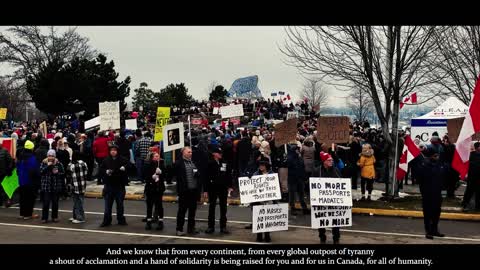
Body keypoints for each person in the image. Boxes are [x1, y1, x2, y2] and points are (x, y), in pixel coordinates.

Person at [413, 148, 446, 239]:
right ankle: (428, 231)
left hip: (437, 193)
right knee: (428, 213)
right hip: (427, 193)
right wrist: (424, 191)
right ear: (431, 156)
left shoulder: (439, 165)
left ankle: (435, 230)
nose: (437, 157)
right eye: (435, 155)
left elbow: (442, 177)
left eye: (437, 155)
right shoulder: (424, 165)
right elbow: (419, 179)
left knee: (436, 212)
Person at [313, 151, 342, 244]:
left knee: (335, 221)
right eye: (329, 160)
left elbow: (341, 184)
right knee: (321, 220)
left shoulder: (336, 170)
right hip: (321, 201)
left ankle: (336, 238)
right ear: (324, 161)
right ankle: (322, 237)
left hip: (334, 202)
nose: (331, 161)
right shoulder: (317, 171)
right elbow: (312, 185)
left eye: (331, 160)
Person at [204, 147, 233, 234]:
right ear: (214, 154)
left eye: (221, 153)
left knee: (223, 207)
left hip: (223, 188)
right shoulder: (209, 163)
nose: (221, 154)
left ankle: (223, 226)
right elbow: (205, 177)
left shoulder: (224, 162)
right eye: (219, 153)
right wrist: (205, 190)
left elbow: (228, 174)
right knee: (212, 207)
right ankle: (210, 226)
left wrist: (230, 186)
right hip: (212, 188)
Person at [99, 144, 129, 227]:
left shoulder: (123, 160)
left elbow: (129, 166)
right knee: (107, 206)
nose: (113, 152)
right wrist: (106, 171)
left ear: (117, 151)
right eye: (111, 150)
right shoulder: (106, 160)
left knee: (120, 205)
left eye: (115, 150)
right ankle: (106, 221)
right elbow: (101, 169)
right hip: (109, 185)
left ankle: (121, 220)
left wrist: (125, 168)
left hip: (119, 185)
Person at [175, 147, 202, 236]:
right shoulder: (179, 163)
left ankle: (191, 228)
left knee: (192, 211)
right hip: (184, 191)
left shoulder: (193, 162)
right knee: (182, 211)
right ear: (183, 153)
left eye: (191, 152)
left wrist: (197, 174)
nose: (191, 153)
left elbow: (197, 174)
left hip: (193, 191)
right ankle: (179, 229)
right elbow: (176, 176)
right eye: (189, 152)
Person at [252, 160, 276, 242]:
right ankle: (259, 236)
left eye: (262, 165)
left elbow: (276, 186)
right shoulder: (255, 174)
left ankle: (267, 235)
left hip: (268, 200)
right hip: (258, 200)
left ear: (266, 166)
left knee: (267, 218)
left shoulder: (272, 174)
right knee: (258, 218)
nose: (261, 167)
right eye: (260, 165)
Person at [39, 149, 66, 223]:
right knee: (46, 203)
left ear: (54, 156)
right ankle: (44, 218)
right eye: (49, 156)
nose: (50, 157)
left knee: (55, 203)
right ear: (47, 156)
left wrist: (57, 173)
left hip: (55, 186)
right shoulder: (44, 163)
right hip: (46, 186)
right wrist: (47, 166)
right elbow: (40, 172)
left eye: (52, 156)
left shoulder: (58, 163)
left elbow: (63, 173)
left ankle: (54, 217)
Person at [16, 140, 40, 219]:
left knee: (22, 198)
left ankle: (22, 214)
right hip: (30, 181)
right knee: (30, 198)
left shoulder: (20, 157)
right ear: (31, 148)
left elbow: (17, 170)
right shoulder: (32, 158)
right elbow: (35, 171)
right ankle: (28, 214)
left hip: (21, 181)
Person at [143, 152, 166, 230]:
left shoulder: (161, 165)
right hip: (150, 188)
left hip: (159, 189)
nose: (158, 157)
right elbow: (145, 176)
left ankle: (160, 222)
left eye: (158, 156)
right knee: (149, 205)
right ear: (152, 157)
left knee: (159, 206)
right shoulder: (148, 165)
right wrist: (152, 177)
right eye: (156, 156)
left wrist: (161, 173)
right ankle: (148, 221)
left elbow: (166, 175)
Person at [65, 151, 88, 224]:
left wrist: (68, 184)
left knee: (76, 202)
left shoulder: (71, 165)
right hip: (82, 185)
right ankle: (76, 216)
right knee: (79, 201)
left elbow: (68, 176)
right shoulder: (84, 163)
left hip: (74, 185)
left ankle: (80, 217)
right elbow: (86, 173)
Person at [287, 144, 309, 215]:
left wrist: (305, 177)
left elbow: (302, 167)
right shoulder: (290, 158)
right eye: (296, 149)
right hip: (292, 179)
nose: (298, 150)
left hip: (300, 178)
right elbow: (289, 165)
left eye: (298, 149)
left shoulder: (299, 157)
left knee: (301, 193)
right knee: (292, 194)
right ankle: (292, 208)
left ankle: (304, 208)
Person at [462, 142, 480, 211]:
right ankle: (465, 204)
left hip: (478, 178)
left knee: (478, 192)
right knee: (469, 191)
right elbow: (467, 165)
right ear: (477, 147)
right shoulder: (471, 155)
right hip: (472, 177)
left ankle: (478, 206)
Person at [0, 142, 14, 207]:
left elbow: (10, 161)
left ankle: (7, 201)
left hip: (4, 173)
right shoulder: (4, 151)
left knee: (6, 188)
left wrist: (9, 170)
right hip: (2, 173)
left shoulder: (5, 151)